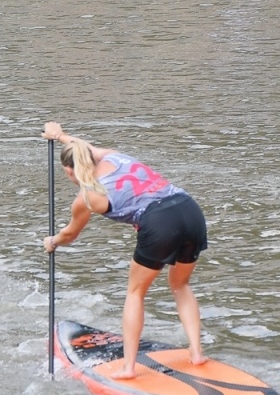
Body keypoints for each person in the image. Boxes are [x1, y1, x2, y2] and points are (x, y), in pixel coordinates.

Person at [41, 122, 209, 376]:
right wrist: (60, 135)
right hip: (189, 211)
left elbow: (70, 234)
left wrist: (52, 242)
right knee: (180, 284)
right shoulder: (114, 157)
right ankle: (196, 353)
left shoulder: (88, 197)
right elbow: (85, 147)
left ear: (68, 170)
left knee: (135, 293)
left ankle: (129, 367)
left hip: (159, 224)